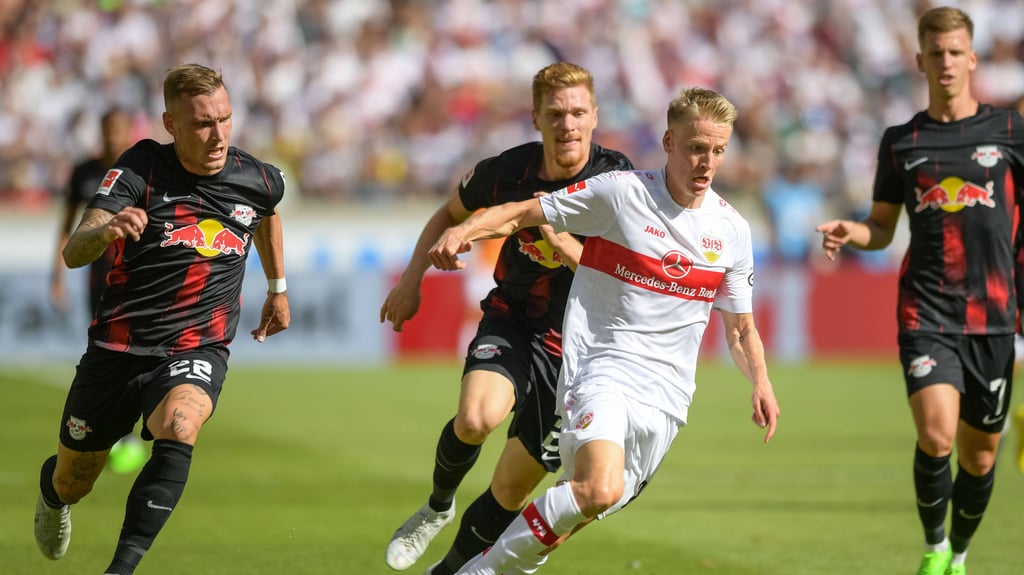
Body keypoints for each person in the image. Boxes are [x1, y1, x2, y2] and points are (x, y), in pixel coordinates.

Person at [428, 86, 780, 575]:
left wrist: (761, 381)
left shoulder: (732, 230)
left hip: (667, 396)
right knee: (597, 488)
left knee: (577, 509)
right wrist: (463, 230)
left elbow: (740, 329)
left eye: (718, 150)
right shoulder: (623, 193)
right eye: (697, 147)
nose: (707, 162)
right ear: (669, 142)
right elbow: (526, 211)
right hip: (603, 370)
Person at [33, 63, 290, 575]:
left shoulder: (258, 178)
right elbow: (74, 250)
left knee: (181, 423)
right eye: (202, 124)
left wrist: (278, 288)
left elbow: (266, 212)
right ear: (171, 124)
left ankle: (120, 569)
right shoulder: (139, 169)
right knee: (73, 481)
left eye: (225, 119)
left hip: (197, 345)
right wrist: (106, 231)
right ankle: (54, 496)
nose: (218, 135)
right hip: (118, 348)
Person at [380, 62, 634, 574]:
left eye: (578, 113)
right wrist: (411, 279)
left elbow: (620, 274)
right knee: (476, 419)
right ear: (536, 119)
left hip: (580, 351)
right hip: (514, 319)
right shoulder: (507, 171)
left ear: (594, 116)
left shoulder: (618, 181)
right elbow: (449, 214)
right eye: (555, 114)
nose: (567, 124)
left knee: (510, 490)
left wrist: (559, 238)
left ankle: (446, 571)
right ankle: (437, 506)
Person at [816, 7, 1023, 575]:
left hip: (994, 317)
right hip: (926, 310)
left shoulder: (1010, 132)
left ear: (972, 58)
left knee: (980, 455)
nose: (946, 62)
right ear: (920, 61)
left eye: (956, 52)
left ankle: (959, 553)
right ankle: (934, 550)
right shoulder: (901, 141)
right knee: (936, 435)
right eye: (937, 54)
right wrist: (852, 231)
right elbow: (881, 227)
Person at [51, 106, 148, 476]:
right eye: (107, 129)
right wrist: (57, 276)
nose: (112, 137)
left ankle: (127, 428)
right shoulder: (85, 172)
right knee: (105, 350)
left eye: (118, 129)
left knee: (138, 349)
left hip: (138, 277)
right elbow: (67, 228)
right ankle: (114, 430)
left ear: (129, 132)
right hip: (99, 277)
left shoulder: (143, 171)